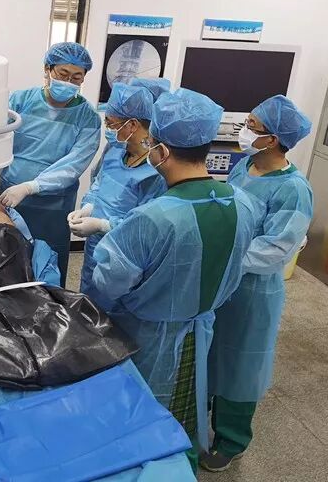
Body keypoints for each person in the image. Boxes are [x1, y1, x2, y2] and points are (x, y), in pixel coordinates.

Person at [81, 88, 258, 473]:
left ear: (160, 151)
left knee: (144, 417)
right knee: (183, 410)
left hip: (146, 337)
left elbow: (107, 283)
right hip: (200, 329)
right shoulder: (243, 204)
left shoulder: (153, 218)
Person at [203, 95, 313, 472]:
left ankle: (232, 439)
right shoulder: (245, 166)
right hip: (223, 283)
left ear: (275, 139)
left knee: (241, 364)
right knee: (212, 351)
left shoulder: (294, 189)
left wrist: (226, 257)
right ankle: (201, 419)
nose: (244, 130)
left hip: (253, 291)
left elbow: (276, 249)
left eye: (253, 125)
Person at [0, 42, 101, 285]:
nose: (68, 82)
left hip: (54, 206)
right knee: (9, 261)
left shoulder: (88, 118)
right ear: (47, 69)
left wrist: (31, 186)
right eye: (63, 74)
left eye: (76, 77)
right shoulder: (20, 101)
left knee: (49, 267)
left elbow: (73, 165)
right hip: (10, 197)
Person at [68, 81, 168, 291]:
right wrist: (88, 208)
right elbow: (98, 184)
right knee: (89, 294)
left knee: (115, 302)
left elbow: (145, 225)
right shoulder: (115, 150)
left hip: (125, 256)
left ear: (132, 125)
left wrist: (103, 225)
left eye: (111, 123)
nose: (108, 129)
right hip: (95, 247)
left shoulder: (156, 171)